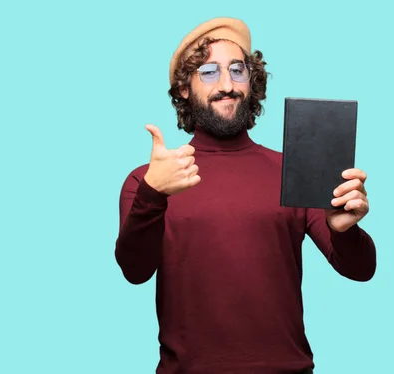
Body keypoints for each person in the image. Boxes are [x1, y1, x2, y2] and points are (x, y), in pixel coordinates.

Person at [115, 17, 377, 374]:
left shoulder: (294, 171)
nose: (227, 85)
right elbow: (134, 270)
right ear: (184, 89)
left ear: (252, 83)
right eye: (209, 72)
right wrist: (153, 193)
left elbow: (361, 270)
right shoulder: (149, 180)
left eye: (237, 71)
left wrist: (345, 230)